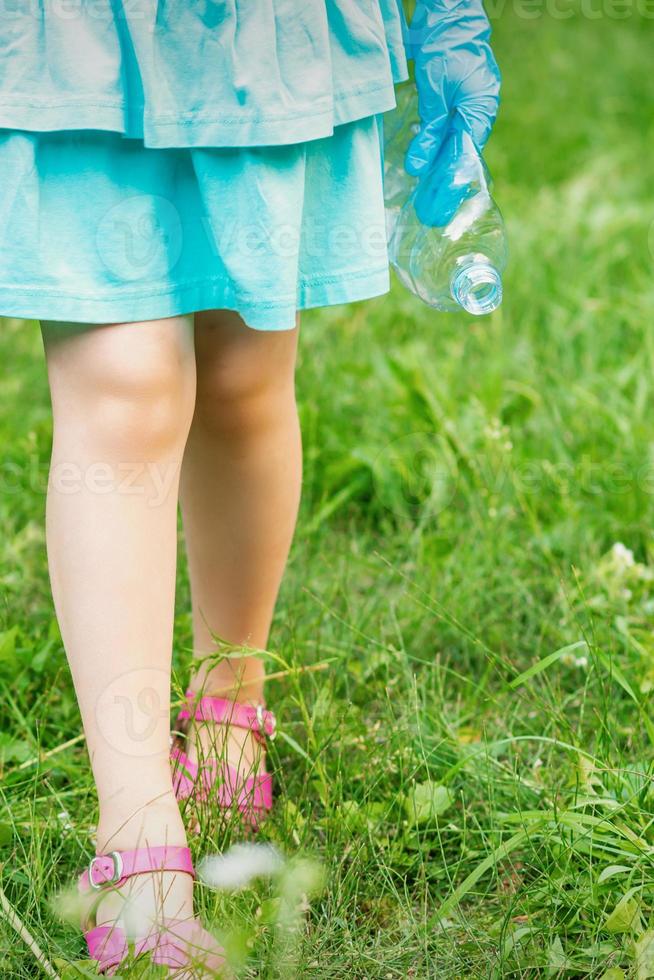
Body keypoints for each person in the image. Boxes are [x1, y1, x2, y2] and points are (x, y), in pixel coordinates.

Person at [0, 1, 499, 973]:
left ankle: (231, 698)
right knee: (127, 387)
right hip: (85, 36)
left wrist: (448, 19)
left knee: (242, 376)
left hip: (267, 39)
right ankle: (140, 836)